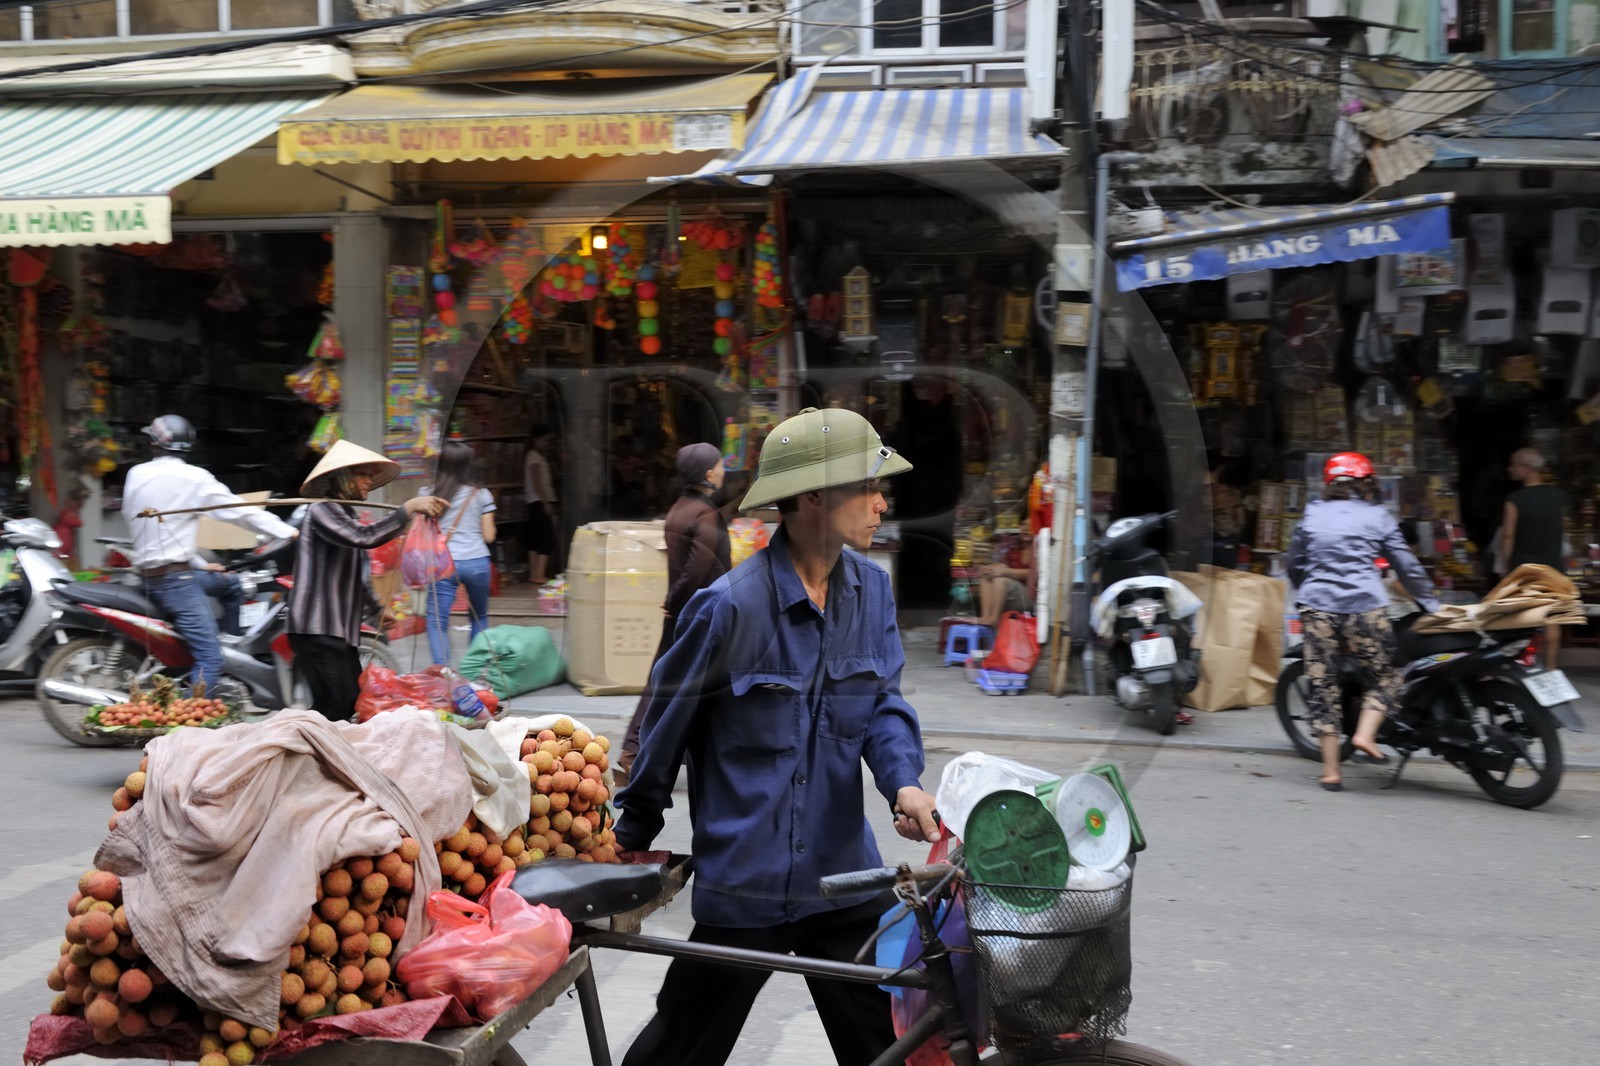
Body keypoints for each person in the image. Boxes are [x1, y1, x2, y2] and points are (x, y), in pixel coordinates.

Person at [614, 406, 941, 1066]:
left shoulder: (874, 595)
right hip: (747, 884)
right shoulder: (729, 605)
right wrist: (628, 839)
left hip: (843, 876)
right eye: (868, 488)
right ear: (814, 497)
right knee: (679, 1048)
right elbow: (665, 730)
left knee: (892, 1043)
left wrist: (902, 782)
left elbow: (883, 707)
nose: (881, 504)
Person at [1286, 452, 1440, 792]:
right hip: (1365, 608)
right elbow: (1406, 566)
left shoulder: (1312, 513)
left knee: (1323, 686)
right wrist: (1430, 603)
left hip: (1318, 609)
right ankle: (1365, 733)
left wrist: (1308, 589)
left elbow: (1293, 561)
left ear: (1329, 485)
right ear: (1367, 484)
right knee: (1387, 677)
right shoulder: (1377, 517)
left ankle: (1331, 772)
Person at [123, 415, 298, 692]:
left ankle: (226, 642)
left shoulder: (136, 474)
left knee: (236, 585)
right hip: (176, 583)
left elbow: (156, 534)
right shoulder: (195, 478)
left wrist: (200, 565)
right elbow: (238, 512)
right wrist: (287, 532)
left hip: (164, 574)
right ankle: (190, 726)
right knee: (210, 658)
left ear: (154, 444)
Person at [289, 440, 444, 720]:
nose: (369, 482)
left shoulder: (346, 515)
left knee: (348, 703)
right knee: (338, 705)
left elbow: (358, 575)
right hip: (317, 627)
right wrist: (407, 509)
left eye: (371, 476)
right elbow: (365, 538)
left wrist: (375, 612)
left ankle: (314, 751)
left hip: (337, 630)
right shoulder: (322, 510)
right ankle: (299, 747)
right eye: (363, 475)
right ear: (343, 478)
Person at [617, 442, 732, 777]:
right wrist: (674, 600)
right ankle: (637, 751)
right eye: (721, 464)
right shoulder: (704, 513)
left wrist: (674, 600)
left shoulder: (680, 508)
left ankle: (636, 750)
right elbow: (698, 568)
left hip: (688, 609)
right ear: (709, 473)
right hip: (703, 611)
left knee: (666, 679)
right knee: (683, 681)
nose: (724, 469)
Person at [424, 441, 497, 667]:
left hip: (442, 563)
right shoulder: (482, 495)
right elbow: (489, 536)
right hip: (476, 562)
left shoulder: (427, 494)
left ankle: (444, 675)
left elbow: (422, 533)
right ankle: (475, 673)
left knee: (437, 622)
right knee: (479, 617)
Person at [1501, 446, 1567, 667]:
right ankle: (1551, 669)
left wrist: (1506, 566)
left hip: (1525, 569)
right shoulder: (1558, 497)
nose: (1510, 469)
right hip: (1554, 568)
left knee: (1519, 621)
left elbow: (1509, 535)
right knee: (1552, 621)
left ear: (1527, 468)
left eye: (1514, 464)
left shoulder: (1515, 499)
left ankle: (1521, 667)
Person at [976, 526, 1034, 630]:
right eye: (1023, 525)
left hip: (1028, 597)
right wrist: (990, 569)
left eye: (1030, 525)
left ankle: (993, 618)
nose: (1026, 529)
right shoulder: (1013, 551)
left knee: (1000, 580)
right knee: (986, 578)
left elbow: (1031, 573)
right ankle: (985, 617)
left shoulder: (1038, 550)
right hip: (1011, 592)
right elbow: (1003, 567)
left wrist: (1005, 571)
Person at [523, 425, 558, 586]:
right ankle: (539, 573)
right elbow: (537, 482)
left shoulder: (531, 456)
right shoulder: (535, 457)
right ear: (536, 440)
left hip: (533, 501)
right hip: (539, 501)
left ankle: (533, 573)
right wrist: (545, 502)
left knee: (535, 539)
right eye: (544, 440)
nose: (546, 443)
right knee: (546, 537)